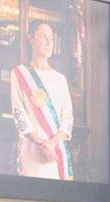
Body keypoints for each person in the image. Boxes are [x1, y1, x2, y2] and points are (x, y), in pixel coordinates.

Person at [10, 20, 74, 180]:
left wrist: (52, 143)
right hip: (32, 151)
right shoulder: (19, 73)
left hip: (56, 152)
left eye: (51, 38)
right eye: (44, 37)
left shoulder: (60, 79)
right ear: (30, 39)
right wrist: (41, 142)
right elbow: (18, 113)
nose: (49, 42)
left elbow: (67, 119)